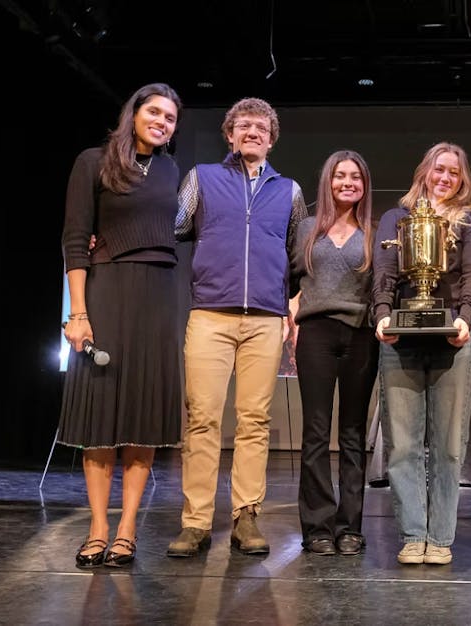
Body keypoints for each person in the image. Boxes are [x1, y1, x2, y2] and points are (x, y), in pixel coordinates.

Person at [167, 97, 308, 558]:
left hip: (265, 319)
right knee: (203, 418)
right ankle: (196, 523)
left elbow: (297, 255)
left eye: (262, 127)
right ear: (229, 135)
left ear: (271, 138)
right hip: (210, 314)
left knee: (255, 421)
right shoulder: (201, 179)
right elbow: (171, 227)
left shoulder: (289, 191)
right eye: (243, 126)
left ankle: (247, 517)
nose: (253, 132)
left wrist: (293, 309)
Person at [59, 83, 183, 568]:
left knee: (143, 414)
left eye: (171, 117)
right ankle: (97, 527)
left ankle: (128, 528)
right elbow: (74, 239)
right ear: (133, 113)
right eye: (154, 111)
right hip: (107, 290)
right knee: (100, 417)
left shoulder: (171, 169)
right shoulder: (92, 161)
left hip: (158, 295)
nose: (162, 121)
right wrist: (79, 313)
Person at [372, 141, 471, 565]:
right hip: (400, 342)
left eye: (454, 172)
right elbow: (383, 274)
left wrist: (466, 317)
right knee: (401, 445)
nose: (445, 178)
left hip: (450, 341)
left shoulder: (469, 220)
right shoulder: (396, 218)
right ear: (425, 170)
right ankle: (412, 534)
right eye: (439, 169)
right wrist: (383, 315)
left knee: (449, 447)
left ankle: (440, 537)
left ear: (462, 179)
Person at [290, 150, 378, 556]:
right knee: (316, 432)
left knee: (354, 434)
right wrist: (290, 324)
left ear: (364, 185)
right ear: (328, 181)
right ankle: (317, 527)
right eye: (340, 176)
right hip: (316, 334)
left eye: (355, 177)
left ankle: (350, 527)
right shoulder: (306, 228)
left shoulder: (375, 234)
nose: (347, 183)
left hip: (361, 334)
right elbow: (288, 281)